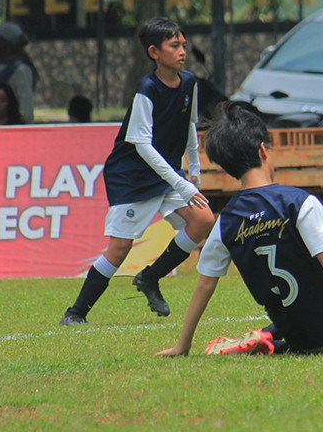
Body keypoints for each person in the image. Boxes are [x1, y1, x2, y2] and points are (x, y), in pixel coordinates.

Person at [155, 104, 323, 357]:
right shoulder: (297, 202)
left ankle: (272, 338)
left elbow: (205, 284)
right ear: (263, 150)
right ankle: (272, 338)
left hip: (299, 338)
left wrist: (183, 344)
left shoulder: (225, 222)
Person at [60, 17, 215, 326]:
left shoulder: (189, 82)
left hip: (166, 174)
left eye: (184, 45)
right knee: (119, 248)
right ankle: (75, 313)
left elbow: (190, 126)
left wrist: (194, 167)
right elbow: (142, 146)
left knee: (203, 219)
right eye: (175, 46)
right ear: (154, 52)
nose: (182, 51)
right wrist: (181, 183)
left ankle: (150, 277)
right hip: (132, 176)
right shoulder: (146, 89)